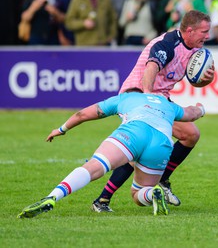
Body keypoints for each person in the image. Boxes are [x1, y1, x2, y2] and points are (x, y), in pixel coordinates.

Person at [91, 10, 214, 212]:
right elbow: (151, 69)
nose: (207, 36)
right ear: (190, 31)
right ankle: (102, 200)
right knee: (139, 149)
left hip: (160, 100)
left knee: (191, 135)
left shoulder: (194, 49)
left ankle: (163, 180)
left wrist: (206, 79)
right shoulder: (167, 43)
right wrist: (148, 98)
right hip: (138, 96)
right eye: (204, 31)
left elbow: (197, 79)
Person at [17, 90, 206, 219]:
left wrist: (61, 129)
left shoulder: (124, 98)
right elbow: (191, 113)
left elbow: (82, 114)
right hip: (161, 144)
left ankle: (53, 197)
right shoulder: (167, 105)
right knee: (137, 194)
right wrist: (201, 108)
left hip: (133, 133)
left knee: (94, 167)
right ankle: (152, 192)